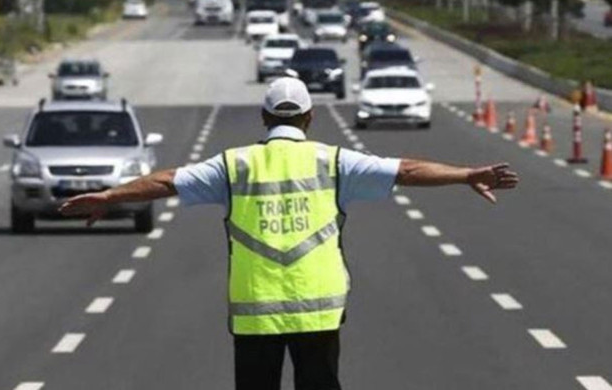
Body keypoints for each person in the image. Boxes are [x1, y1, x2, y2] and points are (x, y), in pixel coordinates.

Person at [59, 78, 519, 390]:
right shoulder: (335, 162)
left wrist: (109, 196)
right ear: (310, 117)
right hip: (318, 312)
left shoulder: (234, 165)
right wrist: (464, 174)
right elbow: (406, 169)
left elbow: (165, 181)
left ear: (263, 117)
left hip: (255, 314)